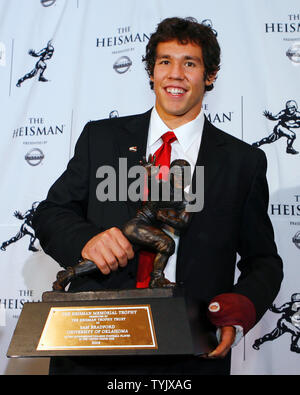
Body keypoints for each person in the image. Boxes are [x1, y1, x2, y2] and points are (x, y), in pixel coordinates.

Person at [32, 17, 283, 375]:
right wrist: (87, 241)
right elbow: (50, 213)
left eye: (190, 63)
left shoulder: (243, 162)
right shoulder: (101, 138)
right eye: (165, 61)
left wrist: (238, 309)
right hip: (92, 346)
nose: (175, 74)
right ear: (152, 72)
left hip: (188, 352)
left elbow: (263, 260)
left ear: (209, 76)